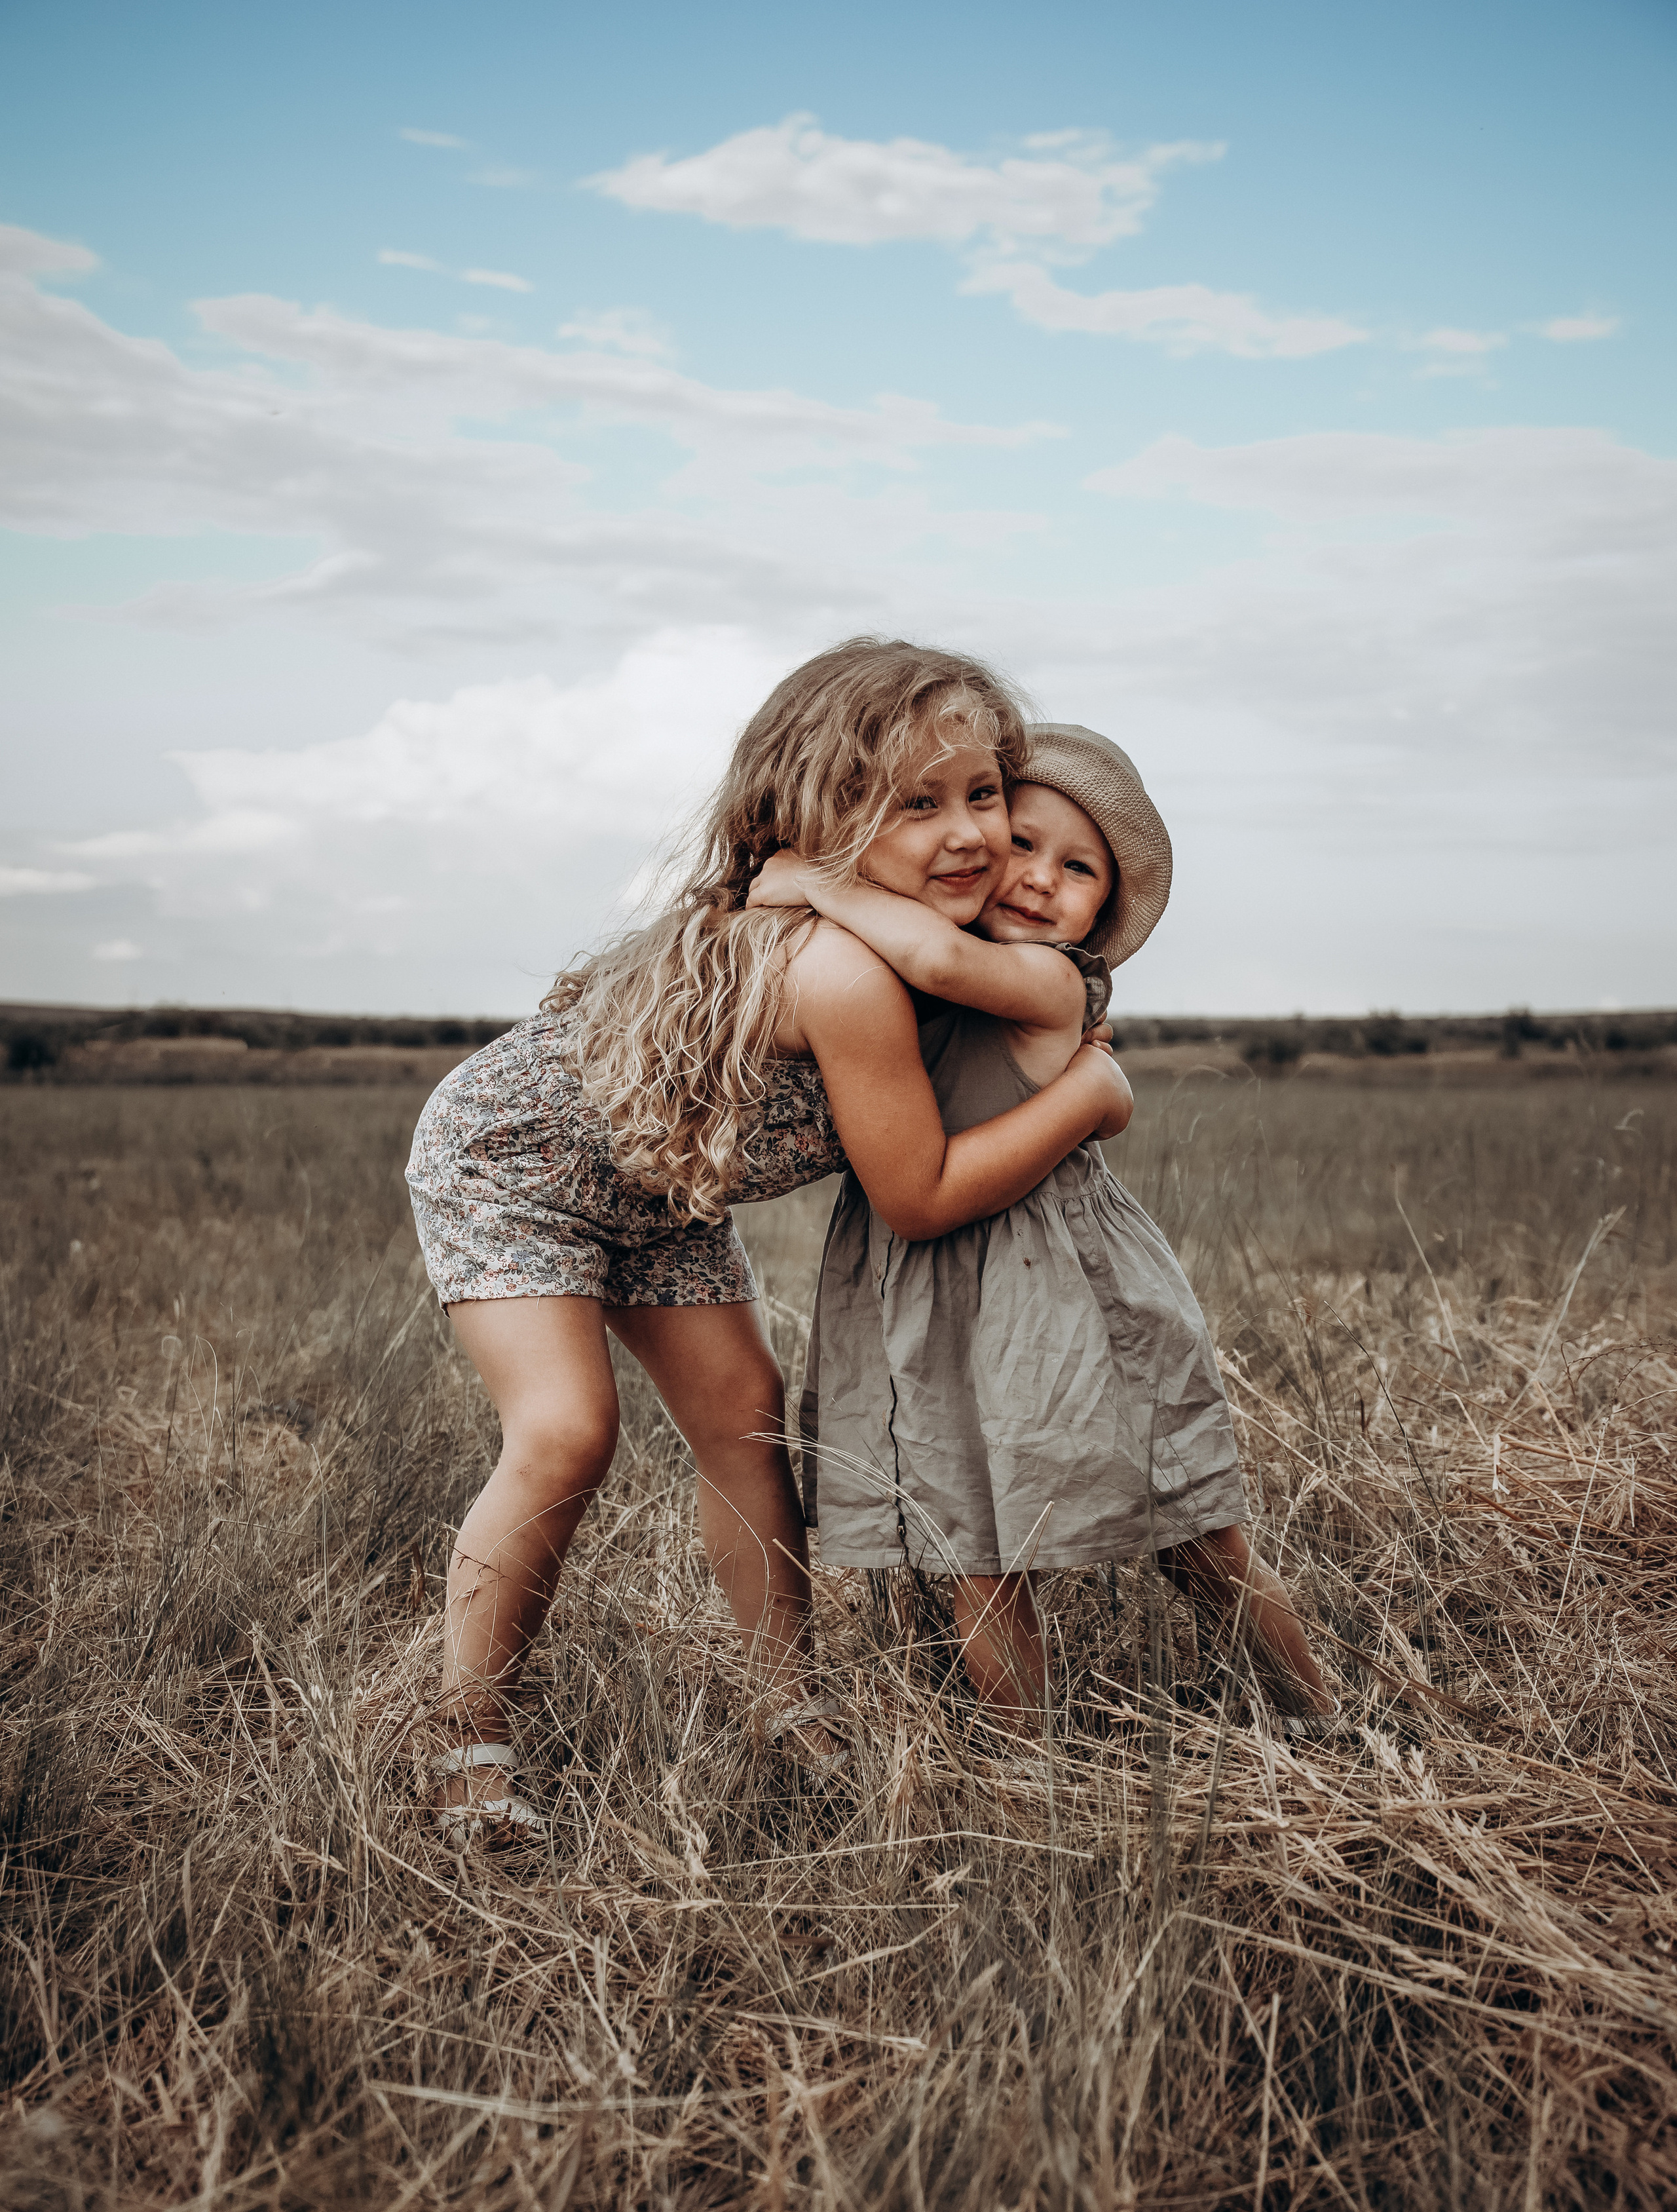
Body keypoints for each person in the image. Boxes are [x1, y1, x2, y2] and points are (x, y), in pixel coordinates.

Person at [404, 648, 1131, 1844]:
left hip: (664, 1190)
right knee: (567, 1430)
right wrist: (1087, 1098)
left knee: (747, 1415)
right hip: (512, 1162)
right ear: (813, 819)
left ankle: (784, 1709)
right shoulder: (843, 968)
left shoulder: (919, 951)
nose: (969, 835)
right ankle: (470, 1745)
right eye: (916, 803)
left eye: (983, 795)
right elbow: (920, 1196)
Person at [748, 722, 1336, 1736]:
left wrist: (819, 880)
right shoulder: (896, 980)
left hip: (1062, 1282)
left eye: (1078, 869)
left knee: (1193, 1527)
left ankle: (1320, 1720)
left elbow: (932, 950)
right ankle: (1030, 1771)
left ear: (1103, 908)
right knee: (971, 1545)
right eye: (1022, 844)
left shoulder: (1049, 982)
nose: (1038, 879)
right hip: (924, 1287)